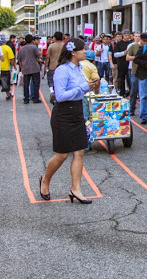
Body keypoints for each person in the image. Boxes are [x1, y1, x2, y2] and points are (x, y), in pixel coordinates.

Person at [39, 39, 98, 204]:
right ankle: (45, 180)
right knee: (62, 154)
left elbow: (80, 89)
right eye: (83, 49)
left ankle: (76, 189)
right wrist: (83, 88)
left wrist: (89, 86)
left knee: (79, 152)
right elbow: (60, 96)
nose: (85, 52)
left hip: (77, 111)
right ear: (73, 52)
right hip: (63, 114)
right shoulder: (62, 70)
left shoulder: (79, 68)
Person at [19, 34, 42, 104]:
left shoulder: (21, 48)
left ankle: (26, 98)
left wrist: (21, 68)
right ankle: (35, 98)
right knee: (36, 83)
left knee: (26, 84)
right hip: (35, 68)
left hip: (25, 68)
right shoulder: (34, 47)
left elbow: (19, 60)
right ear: (32, 40)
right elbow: (38, 55)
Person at [46, 31, 65, 104]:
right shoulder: (64, 46)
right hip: (62, 66)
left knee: (51, 80)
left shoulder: (51, 46)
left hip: (53, 66)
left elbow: (47, 57)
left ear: (55, 38)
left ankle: (52, 92)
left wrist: (46, 66)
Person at [0, 36, 16, 101]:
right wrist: (14, 66)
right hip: (5, 68)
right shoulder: (7, 48)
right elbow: (11, 59)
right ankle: (8, 94)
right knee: (6, 83)